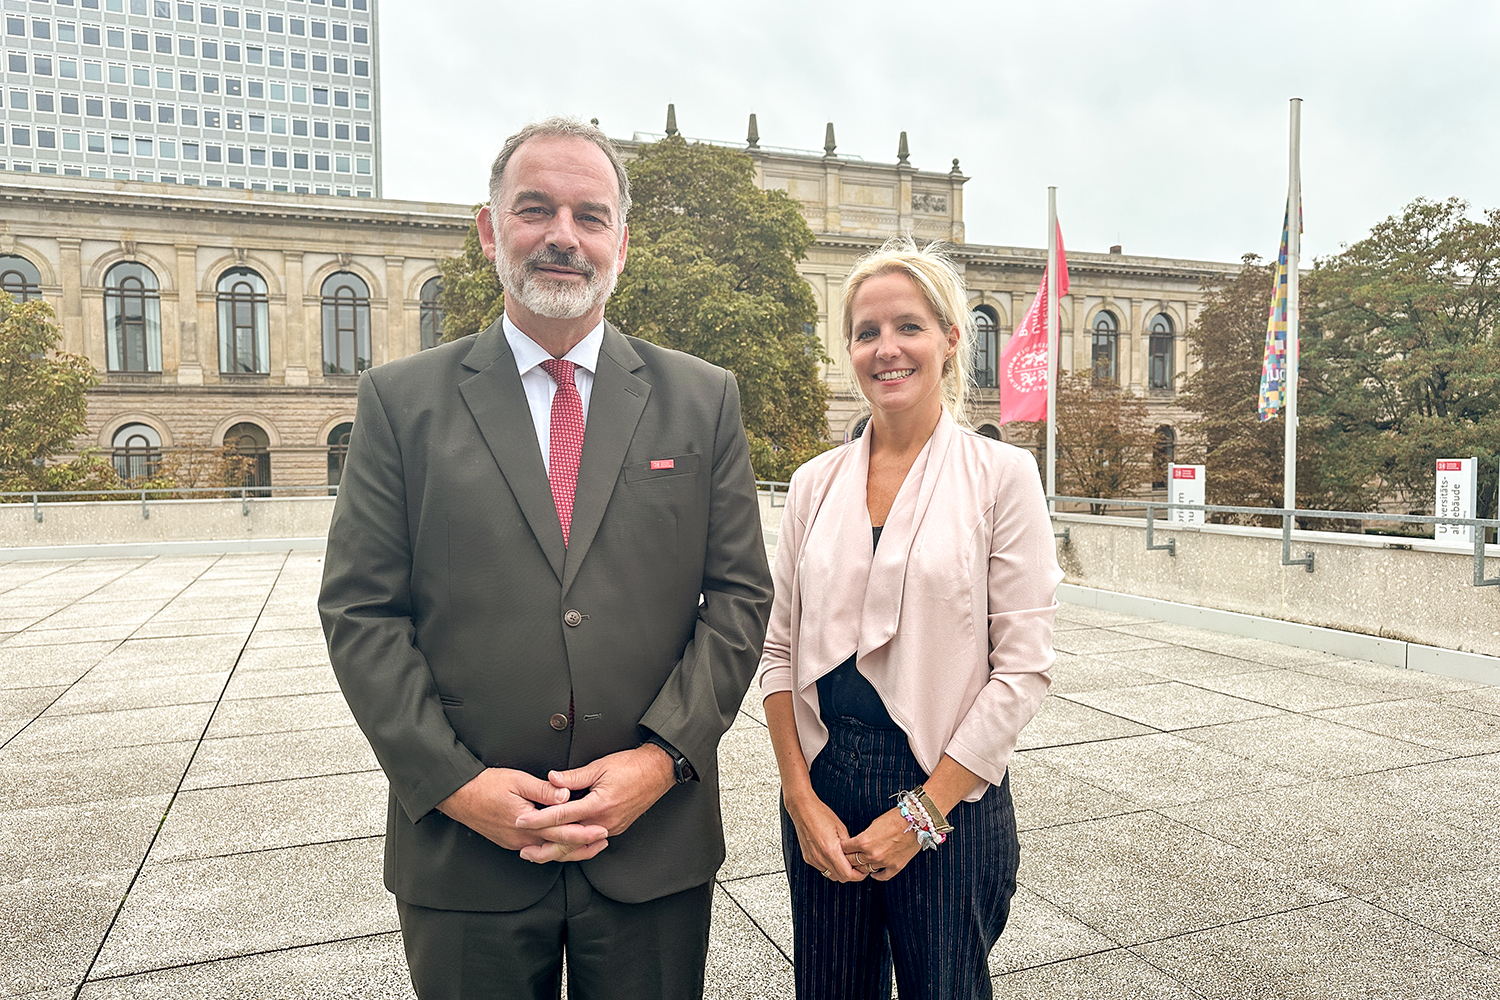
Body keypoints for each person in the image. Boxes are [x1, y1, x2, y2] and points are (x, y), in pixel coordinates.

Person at [319, 116, 773, 1000]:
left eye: (590, 215)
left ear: (621, 244)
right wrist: (455, 784)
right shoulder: (401, 403)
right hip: (464, 854)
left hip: (652, 843)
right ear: (490, 231)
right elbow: (360, 611)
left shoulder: (703, 398)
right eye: (535, 209)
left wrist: (661, 761)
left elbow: (739, 598)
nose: (564, 235)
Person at [757, 238, 1061, 1000]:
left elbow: (1022, 668)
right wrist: (799, 797)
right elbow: (779, 651)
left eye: (908, 327)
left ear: (951, 340)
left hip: (947, 792)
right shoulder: (813, 484)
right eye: (867, 332)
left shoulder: (1002, 476)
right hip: (825, 781)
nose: (885, 348)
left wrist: (921, 815)